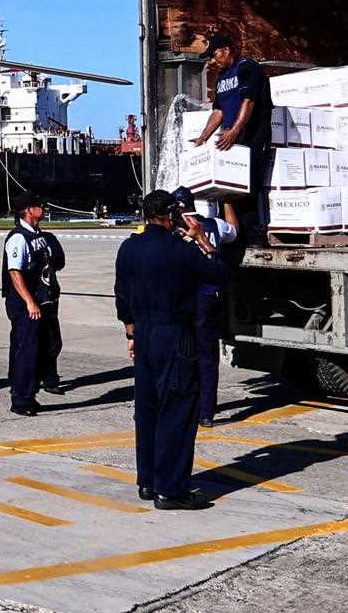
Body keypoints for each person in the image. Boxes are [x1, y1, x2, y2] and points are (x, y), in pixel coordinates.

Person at [115, 189, 223, 509]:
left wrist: (131, 332)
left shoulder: (128, 248)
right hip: (175, 334)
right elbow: (219, 273)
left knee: (147, 410)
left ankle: (148, 481)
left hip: (144, 333)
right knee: (176, 411)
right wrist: (201, 239)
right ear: (170, 215)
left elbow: (121, 293)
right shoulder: (181, 249)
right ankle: (171, 490)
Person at [190, 32, 272, 236]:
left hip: (251, 138)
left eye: (214, 55)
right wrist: (203, 138)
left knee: (247, 187)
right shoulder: (222, 77)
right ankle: (234, 235)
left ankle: (254, 236)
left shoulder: (247, 67)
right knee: (228, 187)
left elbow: (249, 101)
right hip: (232, 141)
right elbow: (218, 111)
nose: (211, 60)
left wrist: (235, 131)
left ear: (226, 50)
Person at [173, 187, 237, 427]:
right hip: (210, 298)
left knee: (181, 353)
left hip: (185, 299)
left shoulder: (174, 230)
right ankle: (207, 412)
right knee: (207, 357)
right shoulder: (214, 224)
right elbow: (234, 231)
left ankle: (185, 403)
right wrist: (228, 202)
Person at [3, 194, 66, 416]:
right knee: (27, 351)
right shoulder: (18, 238)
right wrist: (29, 302)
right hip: (27, 305)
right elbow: (14, 272)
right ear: (28, 210)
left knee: (50, 346)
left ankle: (32, 389)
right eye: (39, 206)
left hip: (45, 301)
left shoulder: (39, 236)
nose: (44, 208)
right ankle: (21, 399)